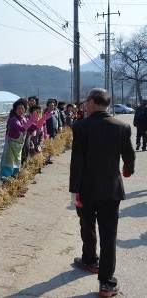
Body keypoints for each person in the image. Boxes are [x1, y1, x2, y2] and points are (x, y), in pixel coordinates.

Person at [70, 88, 135, 297]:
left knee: (87, 225)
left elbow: (76, 163)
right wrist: (127, 170)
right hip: (111, 190)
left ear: (91, 102)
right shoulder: (122, 127)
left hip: (86, 190)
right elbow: (129, 157)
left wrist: (75, 191)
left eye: (86, 102)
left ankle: (90, 260)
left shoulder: (80, 127)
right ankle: (106, 282)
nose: (84, 106)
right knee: (109, 236)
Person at [0, 99, 51, 181]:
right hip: (11, 146)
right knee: (9, 164)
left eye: (22, 109)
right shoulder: (13, 120)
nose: (20, 110)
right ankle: (6, 184)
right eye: (18, 108)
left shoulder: (23, 119)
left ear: (25, 110)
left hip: (18, 147)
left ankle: (14, 184)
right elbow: (22, 129)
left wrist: (43, 119)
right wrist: (31, 121)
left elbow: (35, 127)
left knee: (17, 164)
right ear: (15, 110)